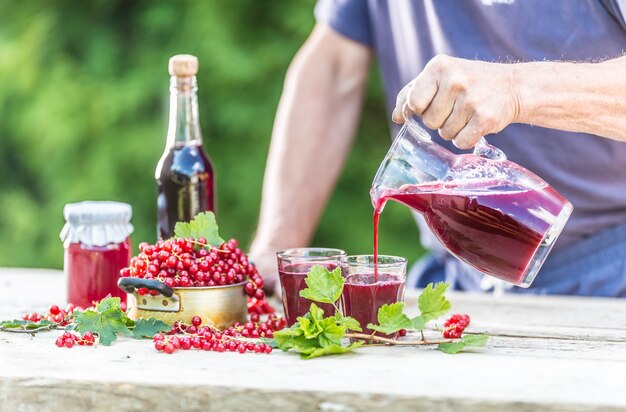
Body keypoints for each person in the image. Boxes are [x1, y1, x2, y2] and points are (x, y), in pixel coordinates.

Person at [249, 0, 626, 297]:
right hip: (460, 277)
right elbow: (333, 68)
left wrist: (515, 89)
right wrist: (276, 247)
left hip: (609, 273)